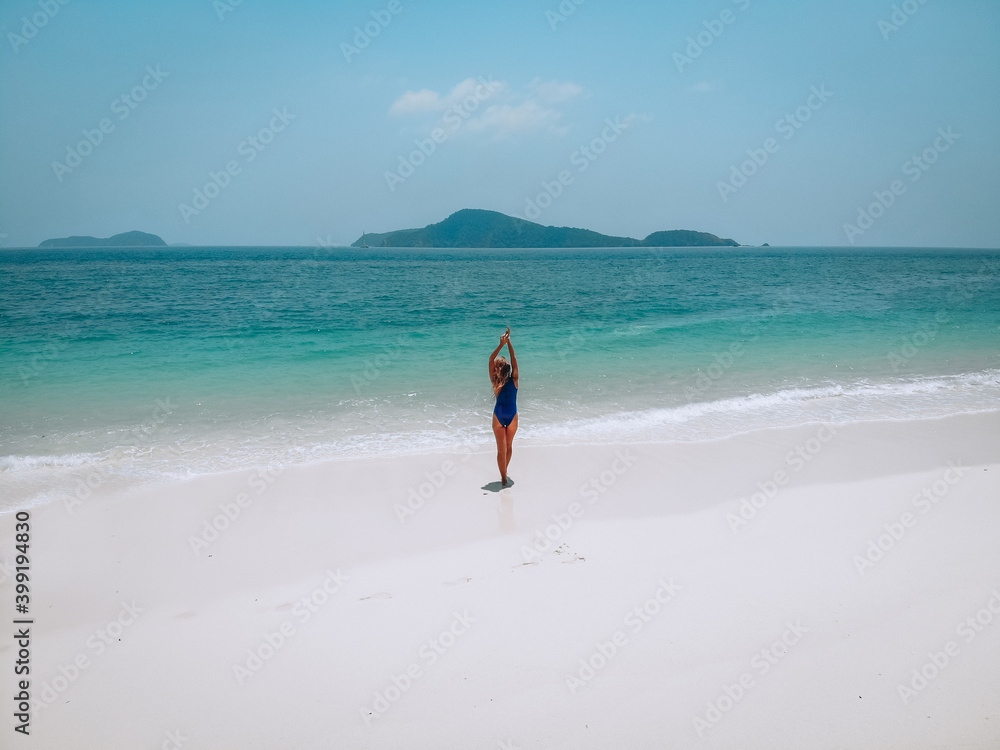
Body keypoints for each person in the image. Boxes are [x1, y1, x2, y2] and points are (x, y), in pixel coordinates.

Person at [489, 326, 518, 487]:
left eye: (499, 365)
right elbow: (490, 360)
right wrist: (500, 344)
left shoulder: (514, 379)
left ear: (505, 367)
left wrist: (509, 343)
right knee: (501, 449)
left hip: (513, 416)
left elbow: (513, 359)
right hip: (498, 417)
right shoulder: (495, 382)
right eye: (496, 366)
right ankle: (504, 478)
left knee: (509, 446)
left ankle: (504, 471)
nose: (496, 367)